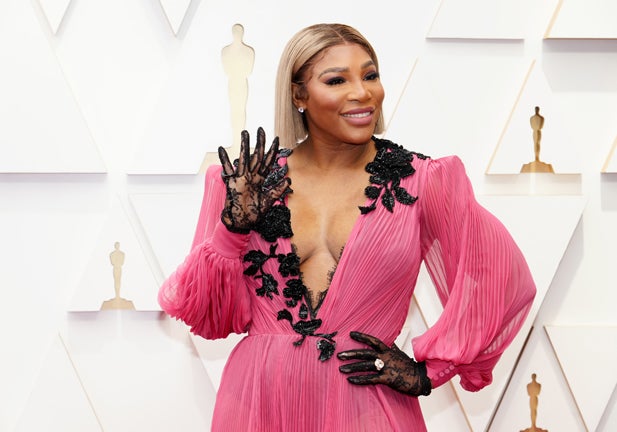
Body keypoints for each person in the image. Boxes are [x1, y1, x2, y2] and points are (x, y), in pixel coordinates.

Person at [158, 23, 536, 431]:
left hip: (369, 407)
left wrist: (429, 373)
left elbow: (500, 276)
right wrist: (232, 229)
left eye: (370, 75)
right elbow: (203, 311)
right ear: (298, 94)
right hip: (260, 403)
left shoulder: (423, 180)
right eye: (337, 80)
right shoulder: (245, 183)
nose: (362, 92)